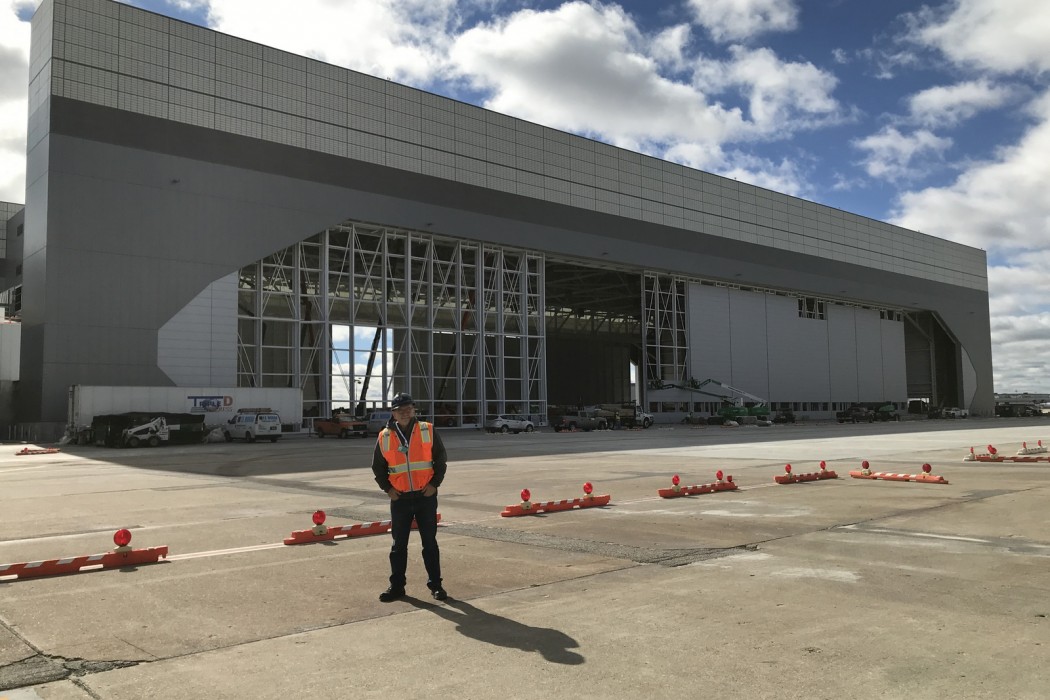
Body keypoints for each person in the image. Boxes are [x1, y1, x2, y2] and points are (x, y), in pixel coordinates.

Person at [371, 392, 448, 602]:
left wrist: (434, 484)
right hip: (400, 499)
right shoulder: (385, 436)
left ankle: (436, 585)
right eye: (400, 410)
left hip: (425, 496)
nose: (405, 413)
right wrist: (387, 488)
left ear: (414, 410)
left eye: (408, 409)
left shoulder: (427, 430)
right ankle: (397, 587)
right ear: (393, 413)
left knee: (429, 544)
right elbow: (377, 466)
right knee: (398, 546)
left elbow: (441, 458)